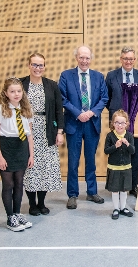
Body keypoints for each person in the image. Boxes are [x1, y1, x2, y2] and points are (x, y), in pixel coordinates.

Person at [59, 45, 109, 209]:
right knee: (73, 161)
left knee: (91, 160)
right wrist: (78, 113)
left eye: (87, 58)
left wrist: (91, 112)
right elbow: (63, 98)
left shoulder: (98, 76)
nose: (84, 61)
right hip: (74, 123)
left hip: (92, 124)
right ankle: (72, 194)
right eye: (81, 57)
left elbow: (104, 98)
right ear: (76, 58)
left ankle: (91, 192)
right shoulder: (66, 75)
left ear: (91, 59)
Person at [20, 53, 64, 216]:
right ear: (29, 65)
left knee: (45, 168)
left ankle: (42, 203)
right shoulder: (21, 83)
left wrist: (60, 132)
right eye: (35, 65)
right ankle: (32, 204)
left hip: (47, 130)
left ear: (44, 67)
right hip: (26, 131)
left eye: (41, 65)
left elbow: (59, 110)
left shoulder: (52, 85)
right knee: (30, 168)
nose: (38, 68)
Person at [0, 77, 34, 231]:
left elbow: (29, 135)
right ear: (6, 93)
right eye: (12, 91)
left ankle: (17, 213)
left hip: (21, 147)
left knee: (19, 182)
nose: (16, 94)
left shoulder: (26, 109)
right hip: (6, 147)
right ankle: (10, 217)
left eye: (19, 91)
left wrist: (31, 155)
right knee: (8, 184)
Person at [105, 46, 138, 198]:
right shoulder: (111, 76)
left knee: (134, 154)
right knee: (117, 153)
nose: (128, 61)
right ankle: (116, 185)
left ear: (134, 60)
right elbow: (107, 98)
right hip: (117, 124)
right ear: (121, 59)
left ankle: (133, 185)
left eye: (131, 59)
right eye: (125, 58)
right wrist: (117, 116)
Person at [104, 109, 135, 220]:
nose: (120, 125)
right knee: (115, 189)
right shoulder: (110, 136)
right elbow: (106, 151)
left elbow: (133, 151)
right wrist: (115, 146)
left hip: (126, 167)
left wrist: (127, 144)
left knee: (124, 189)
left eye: (122, 123)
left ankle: (123, 207)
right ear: (113, 124)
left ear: (126, 124)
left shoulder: (129, 136)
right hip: (114, 167)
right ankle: (116, 208)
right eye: (117, 122)